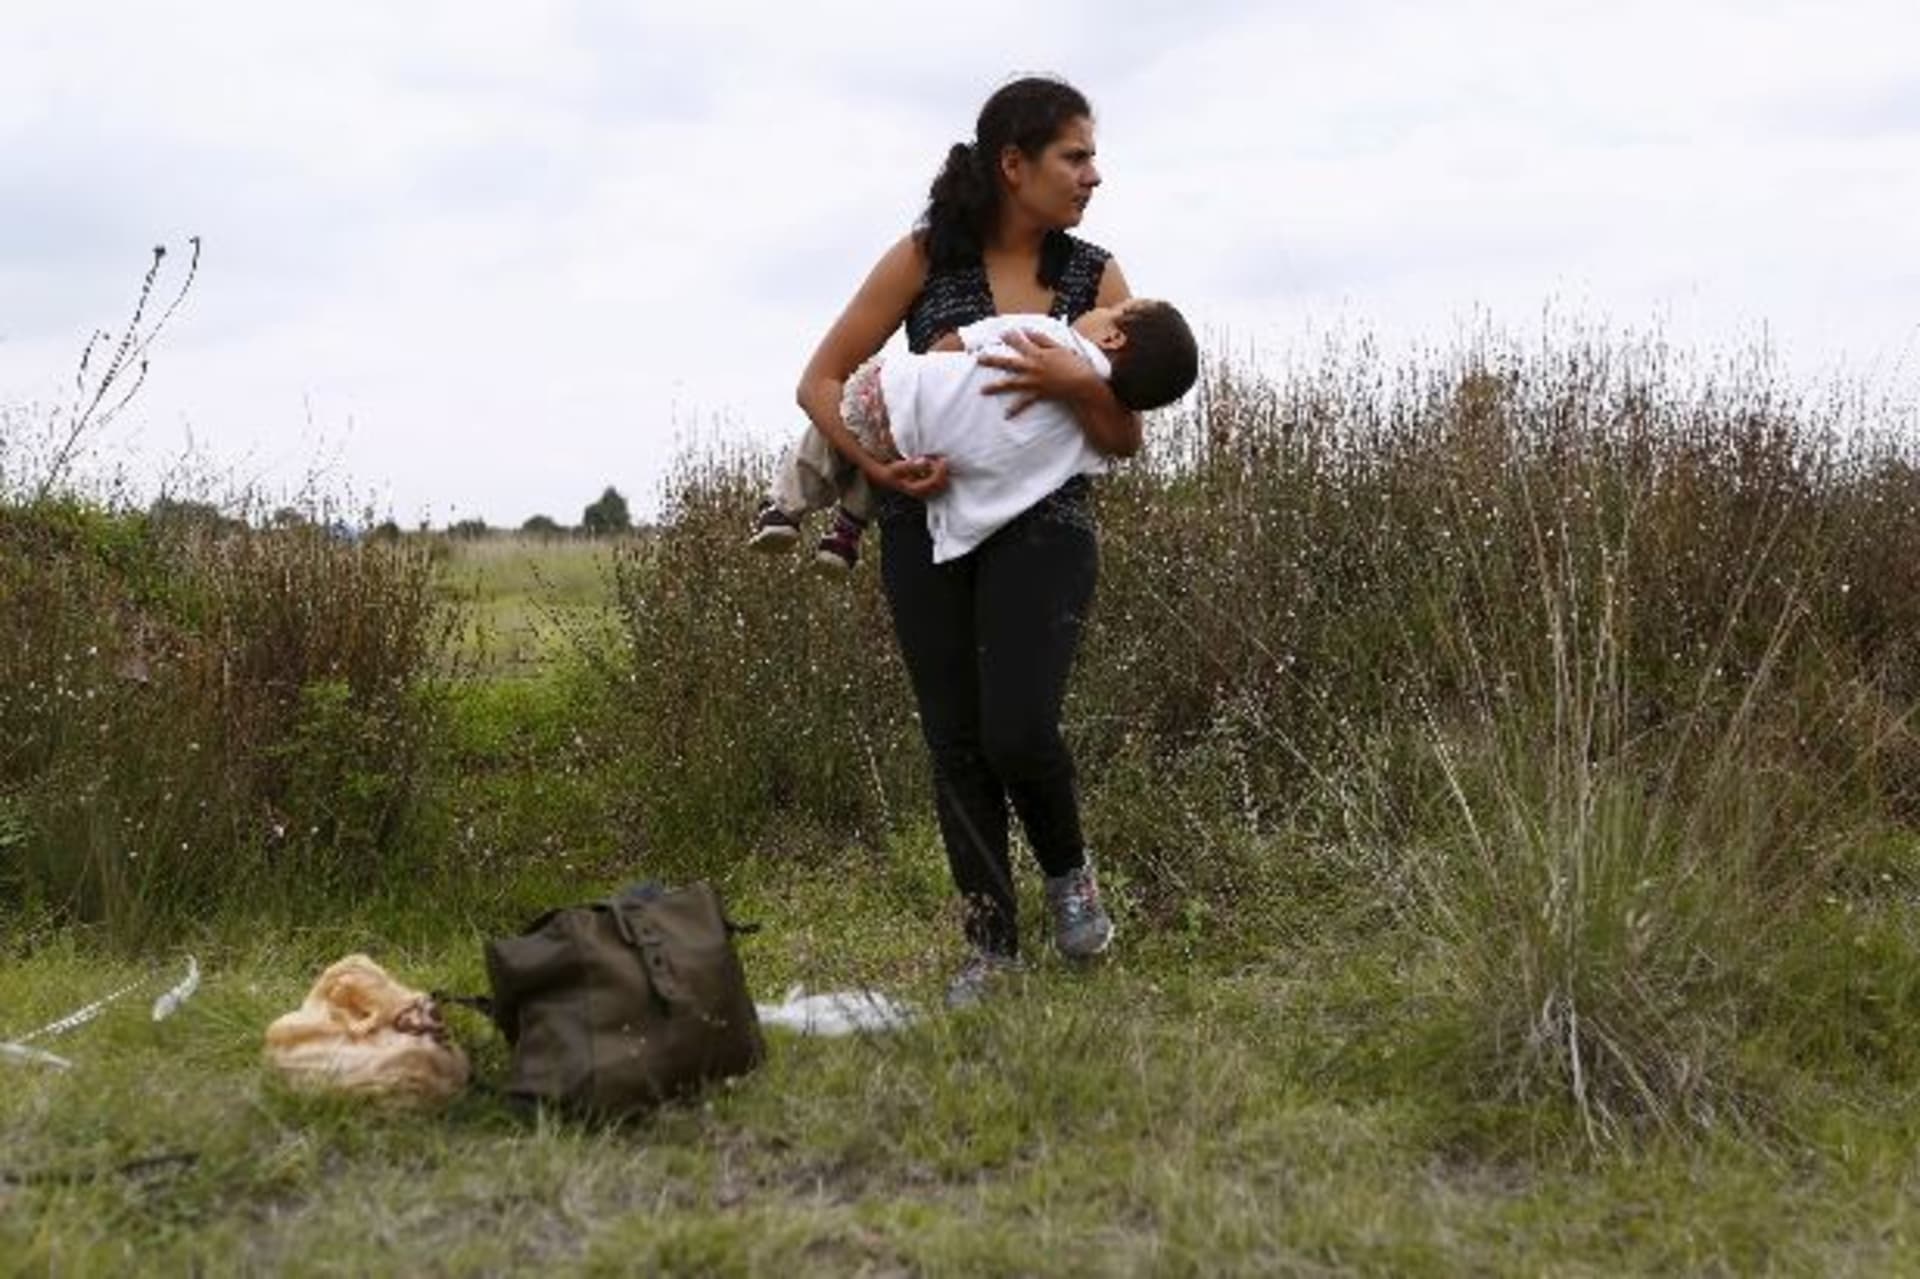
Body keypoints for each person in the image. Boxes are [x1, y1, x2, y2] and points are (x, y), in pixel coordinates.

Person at [792, 74, 1152, 1008]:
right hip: (926, 524)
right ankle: (991, 948)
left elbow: (1126, 437)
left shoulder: (1096, 277)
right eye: (1075, 156)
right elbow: (821, 381)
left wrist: (1077, 383)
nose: (1093, 175)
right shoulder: (924, 259)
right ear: (1014, 164)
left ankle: (1071, 880)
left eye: (1092, 157)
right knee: (955, 742)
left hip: (1049, 528)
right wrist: (872, 467)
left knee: (1018, 728)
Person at [749, 298, 1197, 570]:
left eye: (1112, 311)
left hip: (897, 391)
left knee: (830, 434)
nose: (1098, 309)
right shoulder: (1087, 432)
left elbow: (954, 345)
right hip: (935, 460)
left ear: (1115, 337)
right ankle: (845, 534)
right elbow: (1119, 445)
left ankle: (784, 509)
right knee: (892, 457)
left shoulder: (1046, 332)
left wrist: (934, 367)